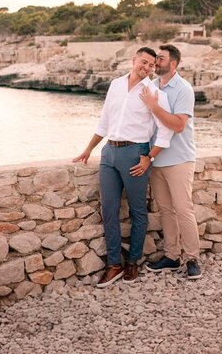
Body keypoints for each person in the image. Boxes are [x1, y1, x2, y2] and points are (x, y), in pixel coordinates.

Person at [73, 47, 173, 288]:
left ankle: (133, 262)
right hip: (109, 152)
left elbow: (166, 131)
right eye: (144, 62)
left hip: (135, 154)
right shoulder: (116, 85)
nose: (147, 67)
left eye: (151, 65)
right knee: (109, 210)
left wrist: (148, 157)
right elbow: (105, 120)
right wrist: (89, 148)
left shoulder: (154, 93)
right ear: (134, 59)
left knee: (138, 211)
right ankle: (114, 264)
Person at [139, 44, 202, 280]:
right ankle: (172, 256)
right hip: (156, 159)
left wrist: (154, 107)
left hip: (179, 159)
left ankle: (192, 259)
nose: (156, 62)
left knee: (183, 209)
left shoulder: (183, 89)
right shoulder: (152, 86)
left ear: (173, 63)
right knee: (166, 210)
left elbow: (178, 125)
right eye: (156, 58)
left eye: (161, 58)